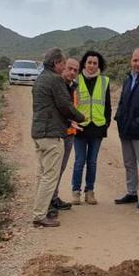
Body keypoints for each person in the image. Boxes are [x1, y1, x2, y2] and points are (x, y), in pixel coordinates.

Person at [31, 48, 86, 227]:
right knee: (50, 176)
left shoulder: (40, 79)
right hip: (51, 134)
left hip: (39, 132)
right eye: (63, 64)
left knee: (43, 174)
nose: (64, 68)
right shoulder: (55, 80)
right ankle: (40, 215)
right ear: (56, 63)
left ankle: (41, 209)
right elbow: (65, 105)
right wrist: (81, 117)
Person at [114, 48, 139, 208]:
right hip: (125, 129)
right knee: (129, 163)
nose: (137, 63)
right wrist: (118, 118)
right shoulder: (127, 79)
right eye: (135, 60)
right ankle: (131, 193)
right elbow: (123, 102)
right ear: (131, 61)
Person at [71, 50, 111, 205]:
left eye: (95, 63)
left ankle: (90, 192)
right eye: (89, 63)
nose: (92, 66)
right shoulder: (76, 80)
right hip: (80, 127)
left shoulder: (104, 81)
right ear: (84, 63)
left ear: (98, 65)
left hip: (98, 127)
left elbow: (107, 105)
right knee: (79, 161)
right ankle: (76, 192)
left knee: (92, 161)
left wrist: (106, 122)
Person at [50, 57, 81, 214]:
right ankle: (48, 203)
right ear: (63, 67)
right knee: (52, 170)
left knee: (60, 169)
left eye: (75, 70)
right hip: (58, 134)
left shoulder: (73, 87)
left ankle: (54, 198)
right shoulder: (57, 86)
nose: (72, 72)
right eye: (70, 68)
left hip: (70, 134)